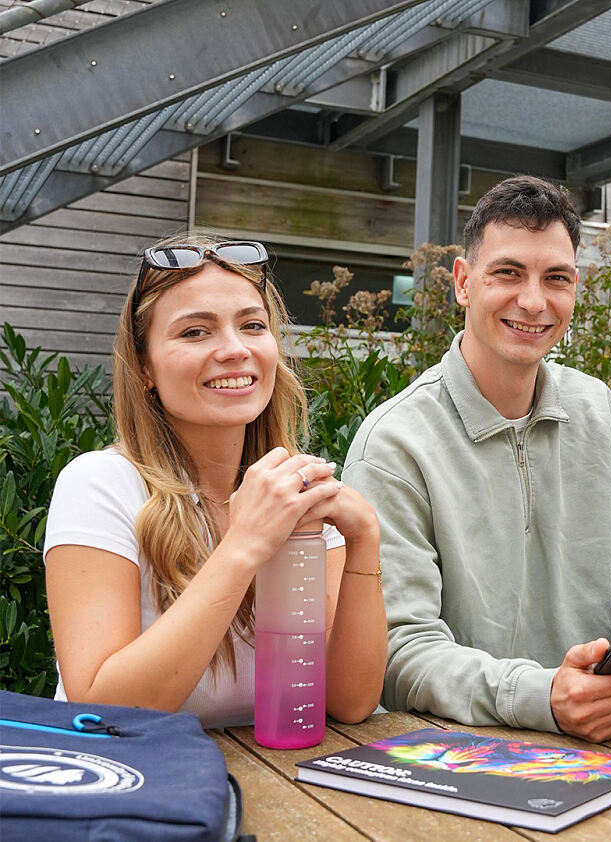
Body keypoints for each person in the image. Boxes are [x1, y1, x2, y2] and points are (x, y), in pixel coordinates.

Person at [344, 176, 611, 743]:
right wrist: (543, 696)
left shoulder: (596, 410)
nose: (534, 301)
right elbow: (400, 650)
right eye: (508, 273)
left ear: (575, 287)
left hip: (599, 737)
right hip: (451, 749)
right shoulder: (394, 444)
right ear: (463, 283)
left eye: (556, 278)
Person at [44, 234, 387, 728]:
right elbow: (101, 713)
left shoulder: (293, 490)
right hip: (131, 772)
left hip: (268, 773)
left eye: (252, 325)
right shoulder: (101, 485)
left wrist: (364, 540)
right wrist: (243, 547)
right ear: (144, 366)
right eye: (195, 332)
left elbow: (348, 702)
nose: (234, 349)